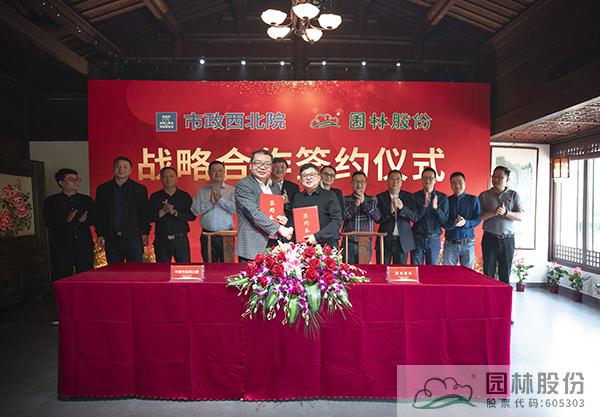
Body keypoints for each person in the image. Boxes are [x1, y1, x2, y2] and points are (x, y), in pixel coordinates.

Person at [235, 150, 293, 263]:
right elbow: (253, 213)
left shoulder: (274, 186)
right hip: (252, 247)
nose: (262, 167)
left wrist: (283, 219)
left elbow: (277, 209)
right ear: (250, 165)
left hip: (274, 244)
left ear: (271, 167)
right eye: (258, 163)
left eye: (267, 164)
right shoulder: (244, 185)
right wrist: (279, 228)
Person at [94, 156, 150, 263]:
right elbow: (99, 213)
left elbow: (144, 213)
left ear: (130, 170)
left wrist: (145, 232)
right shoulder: (103, 189)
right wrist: (100, 233)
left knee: (135, 270)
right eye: (118, 166)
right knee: (114, 270)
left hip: (133, 238)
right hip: (111, 238)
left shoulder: (139, 189)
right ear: (113, 168)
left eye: (125, 167)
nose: (121, 169)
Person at [43, 168, 94, 281]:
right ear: (61, 183)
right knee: (62, 279)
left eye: (77, 179)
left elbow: (95, 218)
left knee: (86, 278)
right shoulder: (51, 201)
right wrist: (66, 220)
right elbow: (48, 221)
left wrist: (85, 221)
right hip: (62, 247)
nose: (76, 182)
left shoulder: (86, 200)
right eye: (71, 179)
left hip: (83, 246)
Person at [479, 166, 524, 283]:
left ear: (507, 180)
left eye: (500, 177)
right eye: (494, 177)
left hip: (507, 239)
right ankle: (488, 294)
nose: (496, 180)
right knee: (488, 273)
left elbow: (521, 216)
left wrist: (506, 213)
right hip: (489, 238)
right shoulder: (484, 195)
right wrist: (493, 212)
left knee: (505, 274)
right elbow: (479, 217)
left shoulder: (514, 195)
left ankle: (504, 295)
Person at [148, 167, 195, 262]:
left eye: (171, 176)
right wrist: (163, 211)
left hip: (180, 239)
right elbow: (148, 217)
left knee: (184, 268)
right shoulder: (155, 196)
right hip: (161, 239)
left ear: (176, 178)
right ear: (161, 179)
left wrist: (176, 213)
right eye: (165, 176)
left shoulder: (184, 196)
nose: (168, 179)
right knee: (162, 269)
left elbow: (192, 216)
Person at [191, 161, 236, 262]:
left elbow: (236, 209)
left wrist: (220, 200)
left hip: (226, 236)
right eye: (214, 171)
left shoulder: (231, 190)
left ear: (224, 172)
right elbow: (195, 211)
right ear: (209, 173)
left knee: (228, 266)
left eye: (220, 170)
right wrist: (210, 203)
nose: (217, 173)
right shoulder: (201, 191)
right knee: (209, 266)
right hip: (207, 235)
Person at [292, 163, 342, 249]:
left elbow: (337, 221)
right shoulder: (297, 197)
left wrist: (317, 236)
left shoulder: (329, 195)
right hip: (303, 245)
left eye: (312, 175)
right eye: (305, 175)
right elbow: (294, 220)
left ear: (319, 177)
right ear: (300, 179)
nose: (308, 178)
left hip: (327, 245)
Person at [375, 170, 418, 264]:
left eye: (398, 179)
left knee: (400, 270)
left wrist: (403, 208)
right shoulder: (380, 197)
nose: (395, 182)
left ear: (401, 182)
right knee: (381, 269)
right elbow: (377, 219)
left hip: (402, 241)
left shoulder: (409, 197)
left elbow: (415, 217)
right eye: (392, 179)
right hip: (384, 240)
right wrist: (389, 212)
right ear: (387, 181)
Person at [442, 172, 481, 269]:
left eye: (460, 182)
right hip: (450, 244)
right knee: (448, 273)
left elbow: (477, 219)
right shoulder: (446, 200)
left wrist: (465, 223)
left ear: (465, 183)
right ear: (450, 185)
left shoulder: (473, 200)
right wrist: (453, 223)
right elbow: (443, 222)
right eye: (453, 183)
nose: (457, 185)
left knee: (468, 274)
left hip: (468, 243)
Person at [411, 167, 449, 265]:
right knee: (416, 269)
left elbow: (444, 221)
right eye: (425, 178)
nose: (428, 180)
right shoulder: (414, 197)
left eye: (430, 178)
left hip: (434, 238)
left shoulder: (442, 198)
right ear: (421, 180)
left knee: (432, 270)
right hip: (417, 238)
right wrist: (424, 206)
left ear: (435, 180)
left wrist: (436, 208)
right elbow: (414, 218)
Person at [342, 171, 381, 264]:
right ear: (352, 183)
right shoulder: (345, 199)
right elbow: (343, 217)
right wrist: (355, 205)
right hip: (349, 242)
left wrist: (364, 202)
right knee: (348, 270)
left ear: (365, 184)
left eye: (362, 182)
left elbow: (377, 217)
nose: (359, 184)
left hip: (365, 242)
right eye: (356, 181)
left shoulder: (372, 199)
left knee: (364, 270)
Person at [271, 157, 300, 240]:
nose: (279, 170)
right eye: (276, 167)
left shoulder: (293, 187)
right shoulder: (264, 185)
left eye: (282, 167)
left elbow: (296, 209)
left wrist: (287, 203)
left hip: (287, 227)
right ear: (271, 168)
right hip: (268, 226)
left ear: (286, 170)